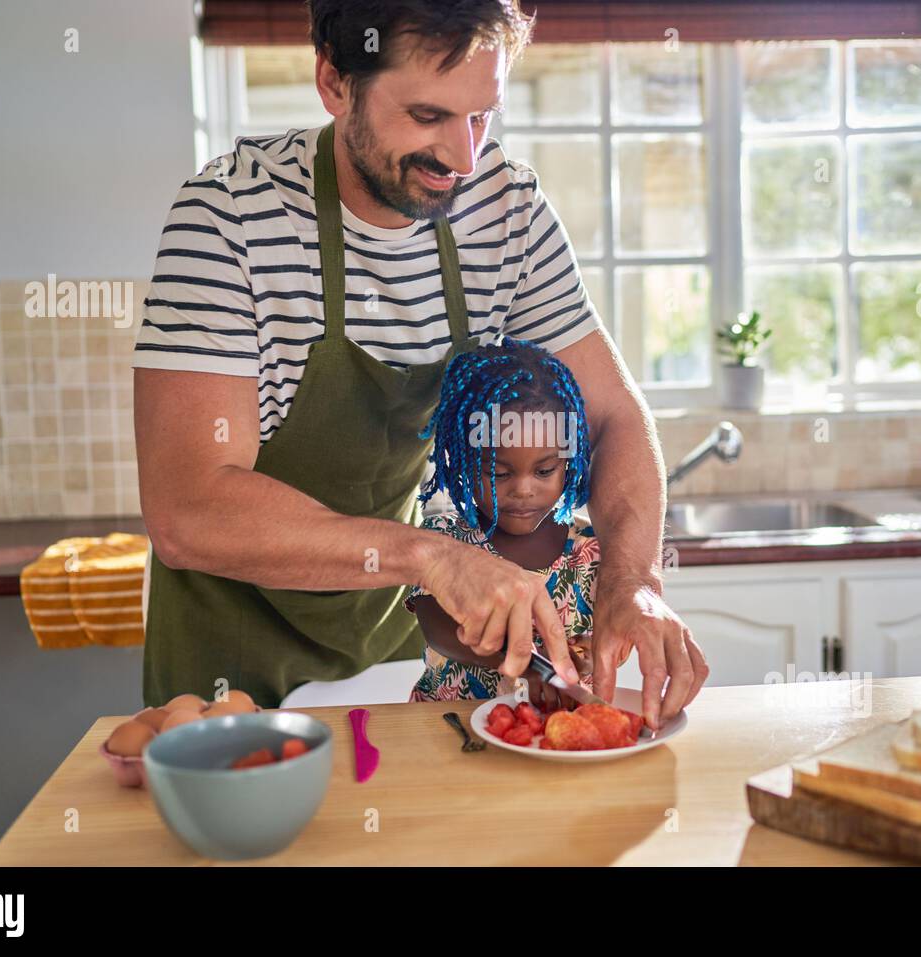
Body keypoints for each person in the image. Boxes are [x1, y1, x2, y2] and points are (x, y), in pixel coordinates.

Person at [132, 0, 706, 727]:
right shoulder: (227, 218)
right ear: (336, 84)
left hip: (395, 665)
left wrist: (634, 580)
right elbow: (188, 506)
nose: (463, 158)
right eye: (429, 117)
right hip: (230, 684)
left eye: (482, 116)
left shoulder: (505, 209)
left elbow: (614, 416)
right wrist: (434, 557)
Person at [404, 338, 621, 708]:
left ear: (569, 462)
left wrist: (586, 654)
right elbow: (440, 631)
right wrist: (531, 667)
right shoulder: (445, 541)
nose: (523, 490)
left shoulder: (591, 546)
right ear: (463, 465)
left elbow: (594, 639)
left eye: (544, 470)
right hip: (448, 729)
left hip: (555, 734)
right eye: (499, 472)